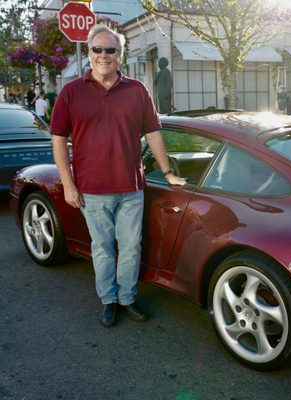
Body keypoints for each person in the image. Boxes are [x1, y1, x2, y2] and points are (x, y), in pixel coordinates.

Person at [50, 24, 186, 328]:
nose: (103, 55)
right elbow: (58, 138)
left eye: (110, 49)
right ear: (89, 53)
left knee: (130, 247)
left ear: (119, 55)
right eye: (97, 49)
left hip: (130, 188)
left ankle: (127, 298)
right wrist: (69, 184)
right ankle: (108, 300)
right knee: (102, 248)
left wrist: (168, 172)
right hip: (92, 191)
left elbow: (153, 133)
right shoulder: (71, 92)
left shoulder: (137, 91)